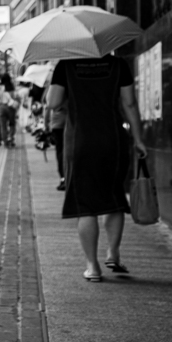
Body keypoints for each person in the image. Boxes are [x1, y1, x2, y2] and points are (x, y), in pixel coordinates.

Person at [48, 54, 147, 281]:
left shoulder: (65, 66)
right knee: (113, 196)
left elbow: (53, 103)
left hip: (79, 141)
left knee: (85, 204)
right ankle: (113, 252)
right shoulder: (118, 64)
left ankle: (93, 267)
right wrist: (139, 138)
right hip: (112, 138)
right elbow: (129, 103)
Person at [42, 84, 67, 191]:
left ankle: (63, 178)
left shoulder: (53, 87)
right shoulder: (73, 84)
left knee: (60, 151)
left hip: (57, 123)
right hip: (72, 122)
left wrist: (46, 124)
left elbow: (48, 105)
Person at [0, 73, 19, 147]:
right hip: (11, 108)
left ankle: (5, 141)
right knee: (12, 124)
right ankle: (11, 138)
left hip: (1, 107)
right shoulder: (12, 87)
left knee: (3, 126)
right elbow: (16, 97)